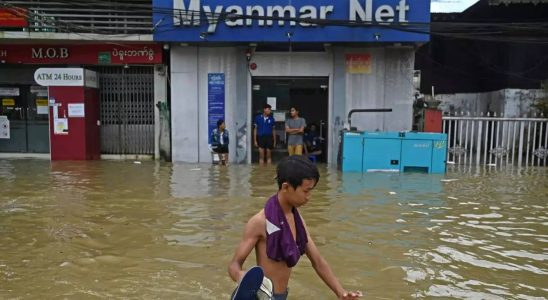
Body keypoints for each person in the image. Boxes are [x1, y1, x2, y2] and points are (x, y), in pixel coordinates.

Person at [228, 156, 363, 300]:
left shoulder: (298, 220)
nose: (309, 197)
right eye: (306, 191)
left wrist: (341, 293)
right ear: (286, 187)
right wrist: (240, 275)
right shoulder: (259, 222)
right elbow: (234, 265)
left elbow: (317, 261)